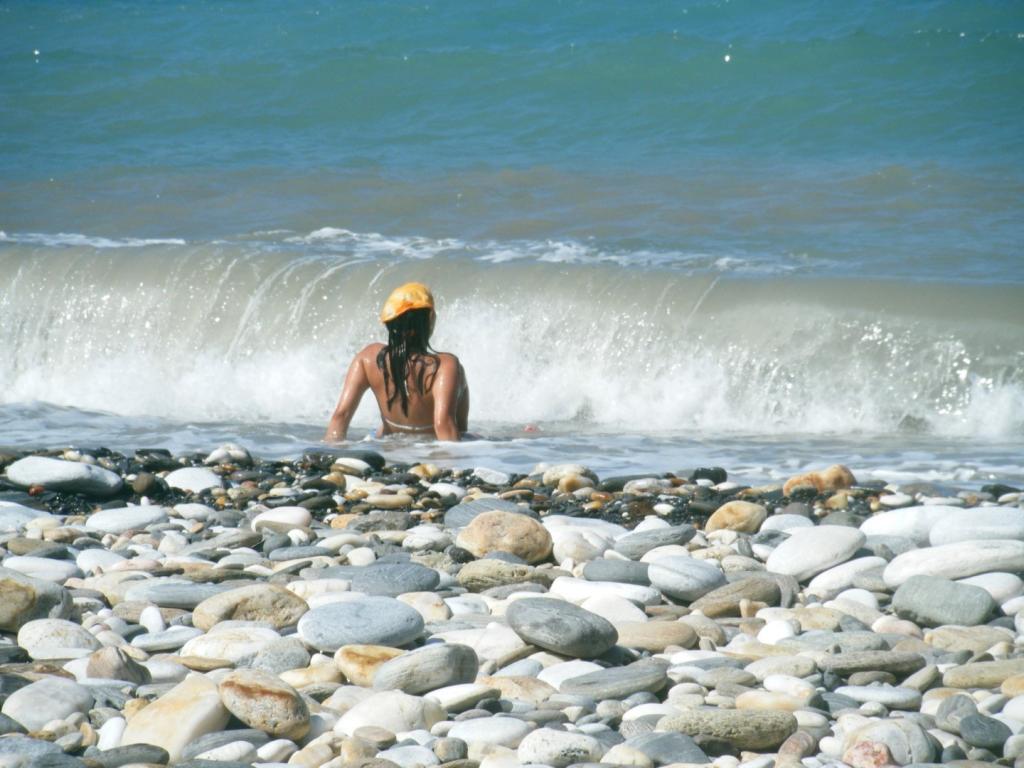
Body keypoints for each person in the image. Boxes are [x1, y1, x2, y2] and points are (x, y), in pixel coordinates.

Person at [324, 282, 469, 442]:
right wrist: (453, 465)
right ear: (430, 318)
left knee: (378, 431)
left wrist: (330, 455)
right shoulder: (445, 365)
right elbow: (443, 424)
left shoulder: (367, 358)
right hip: (427, 450)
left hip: (388, 447)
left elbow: (341, 415)